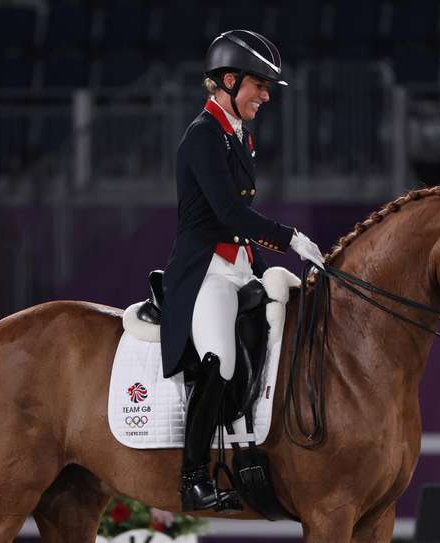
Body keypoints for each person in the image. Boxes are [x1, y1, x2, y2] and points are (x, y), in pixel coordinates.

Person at [159, 29, 325, 512]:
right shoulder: (202, 137)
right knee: (219, 359)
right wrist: (291, 238)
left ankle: (256, 450)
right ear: (229, 81)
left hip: (239, 265)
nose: (267, 96)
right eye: (260, 86)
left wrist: (264, 257)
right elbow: (230, 215)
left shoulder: (239, 136)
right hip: (205, 271)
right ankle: (193, 477)